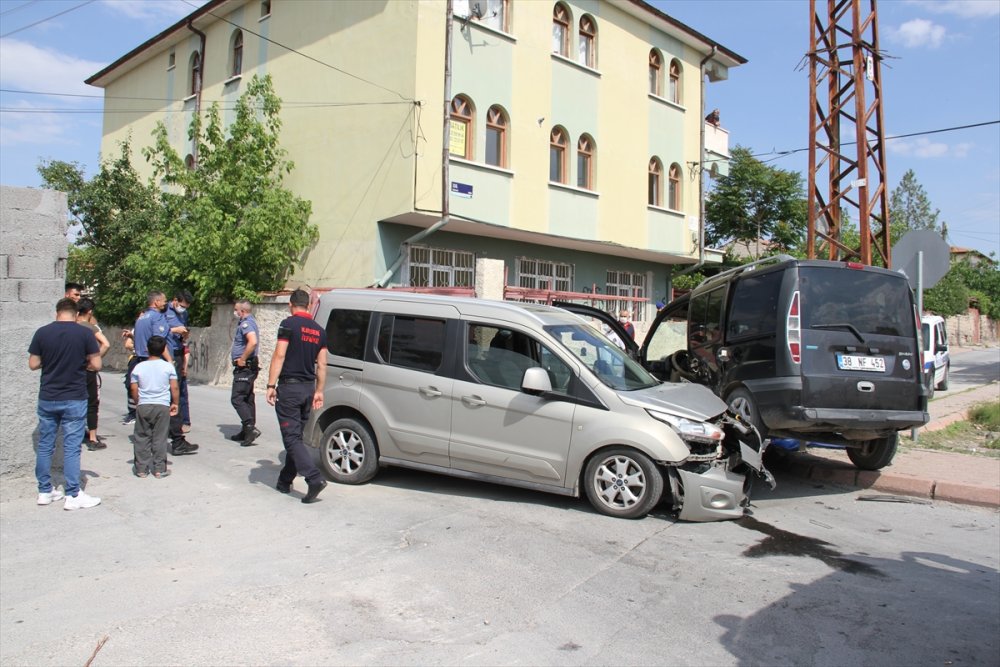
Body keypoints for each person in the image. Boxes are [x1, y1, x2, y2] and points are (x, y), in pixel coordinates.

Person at [28, 297, 102, 510]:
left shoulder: (42, 332)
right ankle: (73, 494)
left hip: (48, 396)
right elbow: (97, 364)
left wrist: (50, 361)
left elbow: (33, 364)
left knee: (45, 444)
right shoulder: (84, 333)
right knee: (71, 446)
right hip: (74, 396)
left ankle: (44, 491)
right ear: (77, 315)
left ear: (57, 313)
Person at [265, 289, 328, 504]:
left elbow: (279, 354)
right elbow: (322, 365)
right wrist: (319, 391)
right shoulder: (320, 331)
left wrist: (270, 385)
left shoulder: (288, 324)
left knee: (291, 438)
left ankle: (314, 478)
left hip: (290, 389)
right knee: (296, 438)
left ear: (290, 305)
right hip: (308, 389)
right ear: (309, 306)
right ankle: (285, 480)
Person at [132, 291, 198, 455]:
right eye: (163, 300)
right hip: (158, 362)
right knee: (170, 400)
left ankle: (148, 442)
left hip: (142, 362)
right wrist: (169, 361)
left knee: (149, 400)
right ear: (155, 302)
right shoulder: (157, 317)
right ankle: (177, 441)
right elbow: (159, 342)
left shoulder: (141, 318)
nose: (164, 303)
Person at [129, 335, 178, 479]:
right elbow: (174, 387)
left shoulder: (139, 367)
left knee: (142, 436)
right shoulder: (168, 367)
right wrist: (175, 403)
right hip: (162, 405)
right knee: (160, 437)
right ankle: (159, 469)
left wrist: (137, 401)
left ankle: (141, 469)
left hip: (144, 404)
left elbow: (133, 388)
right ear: (163, 350)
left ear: (147, 349)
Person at [76, 298, 110, 450]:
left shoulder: (72, 326)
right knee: (92, 403)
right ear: (89, 312)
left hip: (74, 370)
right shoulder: (90, 328)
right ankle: (92, 438)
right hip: (88, 370)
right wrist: (94, 360)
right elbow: (106, 344)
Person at [230, 299, 261, 446]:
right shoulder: (249, 322)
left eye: (236, 310)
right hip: (249, 367)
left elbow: (252, 341)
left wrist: (242, 358)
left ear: (242, 311)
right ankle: (246, 430)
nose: (235, 312)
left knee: (237, 398)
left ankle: (250, 428)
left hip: (245, 367)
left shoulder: (246, 324)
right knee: (247, 398)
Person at [169, 290, 194, 430]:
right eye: (182, 306)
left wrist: (184, 335)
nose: (183, 309)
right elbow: (158, 331)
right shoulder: (164, 311)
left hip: (179, 351)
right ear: (175, 300)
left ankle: (184, 421)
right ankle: (171, 423)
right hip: (167, 352)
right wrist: (174, 330)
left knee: (181, 388)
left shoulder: (184, 314)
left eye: (186, 307)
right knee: (170, 389)